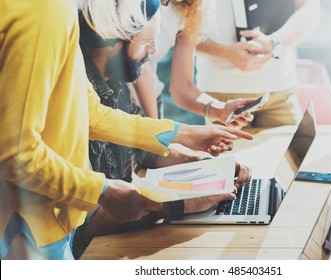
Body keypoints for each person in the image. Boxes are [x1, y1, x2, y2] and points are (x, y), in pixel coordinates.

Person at [0, 0, 252, 260]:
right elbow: (15, 153)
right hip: (29, 222)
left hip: (51, 216)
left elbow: (91, 114)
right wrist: (102, 190)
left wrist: (184, 134)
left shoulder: (56, 10)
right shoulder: (44, 11)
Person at [131, 0, 258, 128]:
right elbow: (139, 64)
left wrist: (221, 109)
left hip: (150, 98)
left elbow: (183, 86)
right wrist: (155, 129)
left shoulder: (191, 8)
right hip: (120, 100)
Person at [195, 0, 320, 128]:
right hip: (222, 94)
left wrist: (276, 41)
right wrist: (225, 53)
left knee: (293, 147)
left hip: (279, 90)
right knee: (232, 148)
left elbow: (311, 10)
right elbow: (180, 29)